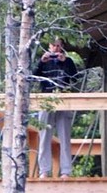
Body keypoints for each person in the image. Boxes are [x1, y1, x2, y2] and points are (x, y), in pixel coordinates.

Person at [33, 38, 80, 177]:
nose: (56, 49)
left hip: (64, 100)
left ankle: (66, 171)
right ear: (49, 46)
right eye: (54, 45)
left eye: (59, 46)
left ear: (62, 47)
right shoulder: (44, 61)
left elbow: (75, 78)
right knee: (44, 136)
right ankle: (44, 171)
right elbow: (33, 77)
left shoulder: (68, 61)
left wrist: (64, 62)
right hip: (45, 100)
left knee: (64, 136)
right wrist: (42, 62)